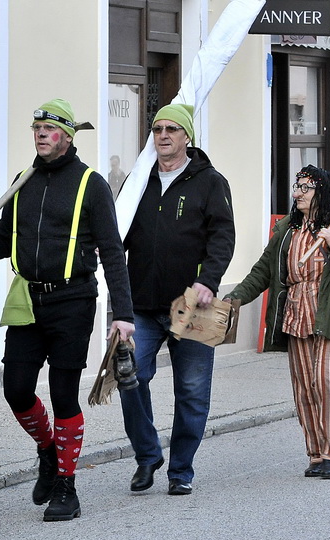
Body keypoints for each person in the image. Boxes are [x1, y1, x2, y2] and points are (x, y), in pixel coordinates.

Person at [0, 99, 135, 522]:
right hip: (27, 299)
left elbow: (112, 252)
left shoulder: (91, 185)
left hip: (73, 301)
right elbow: (3, 239)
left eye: (49, 129)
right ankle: (48, 449)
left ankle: (66, 485)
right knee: (16, 389)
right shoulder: (22, 181)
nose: (41, 134)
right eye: (36, 128)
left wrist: (123, 314)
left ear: (67, 136)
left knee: (63, 394)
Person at [224, 165, 330, 479]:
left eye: (305, 187)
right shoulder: (287, 231)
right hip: (295, 316)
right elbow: (262, 272)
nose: (297, 193)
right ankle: (316, 455)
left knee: (327, 381)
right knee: (305, 389)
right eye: (297, 186)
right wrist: (233, 299)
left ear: (321, 192)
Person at [120, 104, 236, 496]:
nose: (163, 136)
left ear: (187, 136)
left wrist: (208, 280)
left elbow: (223, 236)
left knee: (192, 391)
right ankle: (148, 453)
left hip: (193, 305)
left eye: (172, 129)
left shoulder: (210, 182)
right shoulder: (139, 180)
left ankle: (181, 469)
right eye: (157, 129)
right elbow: (117, 231)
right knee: (129, 376)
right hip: (142, 303)